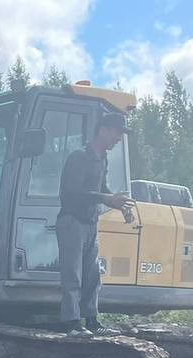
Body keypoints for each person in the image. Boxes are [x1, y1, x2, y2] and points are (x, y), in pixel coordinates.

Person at [56, 112, 135, 334]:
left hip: (90, 224)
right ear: (104, 130)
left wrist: (119, 203)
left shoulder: (102, 159)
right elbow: (72, 192)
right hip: (72, 222)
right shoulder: (79, 157)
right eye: (117, 133)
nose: (119, 139)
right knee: (73, 275)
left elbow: (101, 190)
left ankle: (91, 320)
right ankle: (71, 323)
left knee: (93, 274)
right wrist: (107, 199)